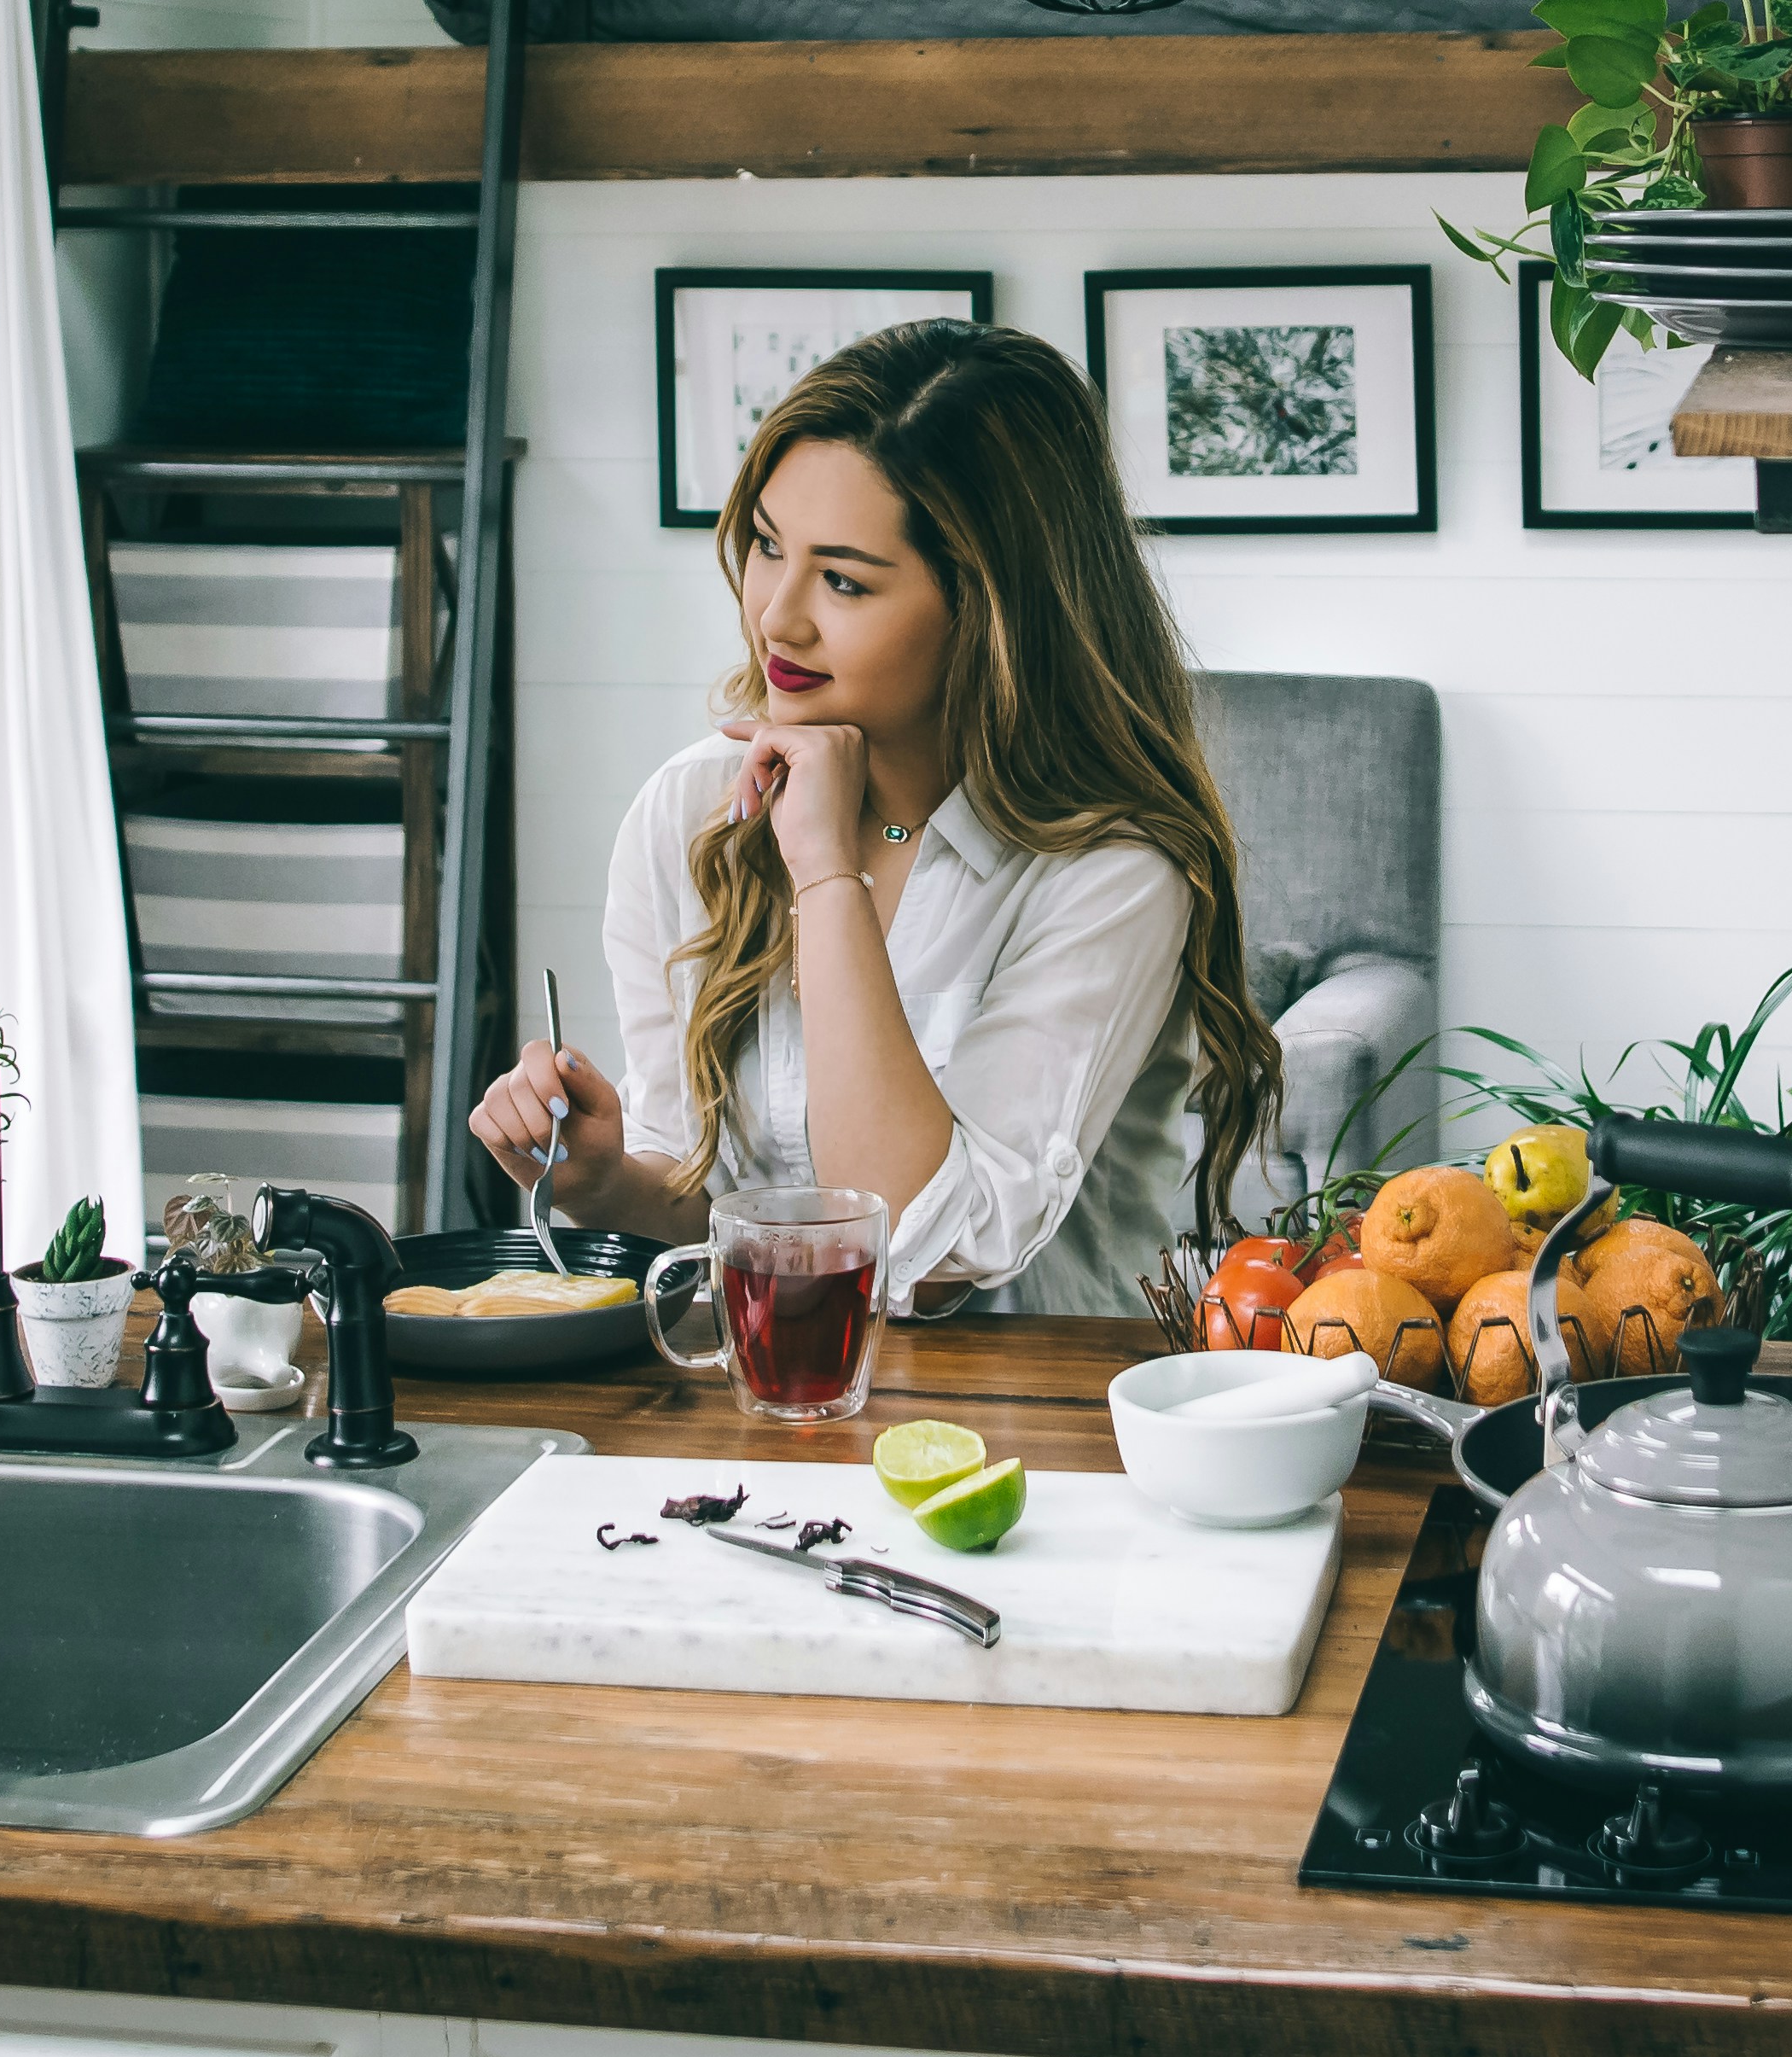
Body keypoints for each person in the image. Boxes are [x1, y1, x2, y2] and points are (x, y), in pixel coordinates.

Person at [467, 320, 1277, 1317]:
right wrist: (604, 1182)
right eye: (768, 545)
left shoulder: (1109, 870)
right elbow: (723, 1216)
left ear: (989, 608)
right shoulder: (689, 810)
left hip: (1048, 1423)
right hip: (783, 1398)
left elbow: (924, 1245)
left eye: (844, 579)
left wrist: (823, 873)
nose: (777, 616)